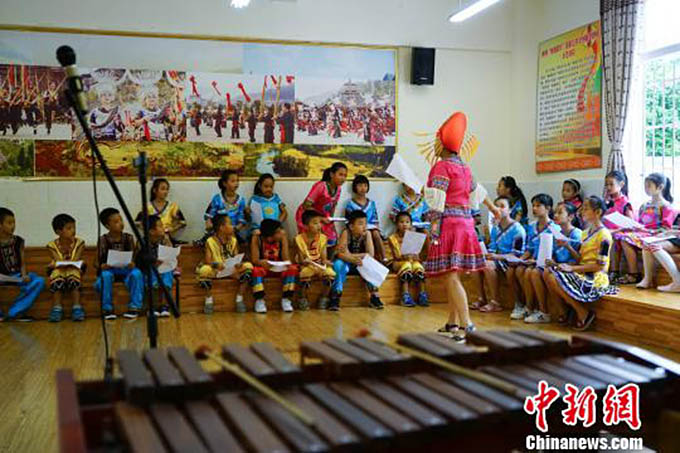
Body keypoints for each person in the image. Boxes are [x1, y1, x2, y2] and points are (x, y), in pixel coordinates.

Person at [423, 112, 498, 342]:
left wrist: (433, 228)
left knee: (451, 277)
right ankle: (452, 322)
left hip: (450, 226)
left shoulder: (441, 167)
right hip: (466, 225)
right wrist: (494, 209)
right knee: (453, 275)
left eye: (436, 140)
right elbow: (478, 193)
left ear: (443, 143)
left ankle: (467, 325)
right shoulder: (465, 168)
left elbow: (437, 203)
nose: (434, 144)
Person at [545, 196, 618, 331]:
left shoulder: (604, 236)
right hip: (583, 270)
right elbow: (581, 259)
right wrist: (567, 246)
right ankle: (565, 311)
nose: (582, 212)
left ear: (597, 212)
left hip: (595, 275)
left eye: (586, 209)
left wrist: (572, 268)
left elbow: (599, 266)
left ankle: (582, 312)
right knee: (549, 272)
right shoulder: (585, 233)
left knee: (552, 277)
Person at [613, 173, 678, 285]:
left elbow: (666, 228)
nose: (646, 189)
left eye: (649, 186)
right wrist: (635, 227)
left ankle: (636, 275)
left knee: (627, 239)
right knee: (621, 237)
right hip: (642, 233)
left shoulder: (666, 207)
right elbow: (640, 223)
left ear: (660, 187)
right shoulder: (644, 205)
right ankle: (630, 272)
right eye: (645, 186)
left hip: (655, 236)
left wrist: (649, 231)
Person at [527, 202, 582, 324]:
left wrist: (568, 246)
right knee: (534, 272)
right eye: (555, 212)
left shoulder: (576, 234)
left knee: (547, 273)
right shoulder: (555, 233)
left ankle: (563, 310)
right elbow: (552, 254)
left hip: (571, 267)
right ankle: (543, 311)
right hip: (557, 266)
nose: (556, 215)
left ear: (570, 217)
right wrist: (551, 260)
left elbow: (579, 260)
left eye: (560, 213)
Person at [475, 196, 526, 313]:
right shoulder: (496, 228)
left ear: (510, 210)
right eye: (496, 206)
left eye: (502, 206)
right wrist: (487, 254)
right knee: (475, 263)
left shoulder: (518, 229)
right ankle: (481, 298)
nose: (498, 209)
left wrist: (496, 257)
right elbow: (492, 247)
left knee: (488, 266)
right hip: (498, 259)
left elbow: (517, 254)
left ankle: (495, 302)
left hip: (511, 261)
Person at [510, 194, 556, 321]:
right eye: (533, 206)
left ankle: (543, 311)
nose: (534, 209)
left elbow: (552, 253)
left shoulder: (554, 228)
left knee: (531, 272)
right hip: (533, 261)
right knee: (519, 269)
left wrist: (535, 261)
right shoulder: (531, 226)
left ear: (548, 208)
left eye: (538, 206)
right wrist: (521, 259)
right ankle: (529, 307)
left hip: (545, 263)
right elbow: (529, 249)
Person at [196, 215, 253, 314]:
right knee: (203, 270)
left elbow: (236, 257)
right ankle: (208, 299)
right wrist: (216, 265)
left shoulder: (234, 240)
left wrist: (238, 264)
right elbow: (208, 261)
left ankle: (239, 297)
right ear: (221, 228)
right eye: (230, 224)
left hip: (231, 270)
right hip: (217, 270)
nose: (232, 226)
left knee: (249, 266)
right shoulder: (210, 241)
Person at [94, 208, 144, 320]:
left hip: (126, 269)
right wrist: (102, 266)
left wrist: (132, 263)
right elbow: (96, 262)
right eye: (116, 222)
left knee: (137, 274)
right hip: (110, 269)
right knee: (105, 276)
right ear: (107, 226)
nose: (121, 223)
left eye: (121, 220)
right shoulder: (103, 240)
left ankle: (135, 307)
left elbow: (133, 257)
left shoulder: (129, 238)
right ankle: (107, 309)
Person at [331, 211, 384, 311]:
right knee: (338, 264)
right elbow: (340, 254)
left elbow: (370, 255)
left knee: (371, 264)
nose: (364, 227)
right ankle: (336, 295)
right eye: (360, 224)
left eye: (365, 224)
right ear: (351, 226)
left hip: (360, 263)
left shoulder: (367, 234)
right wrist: (352, 258)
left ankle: (374, 296)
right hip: (347, 263)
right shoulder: (346, 233)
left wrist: (351, 255)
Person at [0, 207, 44, 322]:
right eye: (9, 223)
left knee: (39, 280)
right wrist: (17, 280)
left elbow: (22, 263)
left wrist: (24, 275)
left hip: (17, 275)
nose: (13, 226)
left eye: (14, 222)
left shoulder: (18, 241)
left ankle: (15, 312)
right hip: (2, 277)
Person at [250, 219, 299, 313]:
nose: (281, 233)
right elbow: (255, 260)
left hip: (278, 267)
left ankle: (286, 299)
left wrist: (285, 263)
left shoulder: (282, 237)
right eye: (278, 231)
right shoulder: (257, 238)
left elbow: (286, 258)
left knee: (292, 269)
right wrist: (261, 262)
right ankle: (259, 300)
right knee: (256, 271)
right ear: (270, 235)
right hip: (264, 267)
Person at [295, 162, 347, 250]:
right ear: (331, 174)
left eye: (345, 175)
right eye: (340, 174)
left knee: (332, 239)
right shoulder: (320, 186)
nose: (343, 178)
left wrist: (331, 220)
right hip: (308, 215)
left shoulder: (338, 189)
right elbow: (306, 205)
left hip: (323, 216)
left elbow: (333, 206)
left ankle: (326, 257)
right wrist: (321, 218)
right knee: (311, 244)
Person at [46, 214, 85, 322]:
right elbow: (58, 260)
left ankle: (77, 307)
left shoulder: (80, 243)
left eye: (74, 227)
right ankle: (57, 308)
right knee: (56, 274)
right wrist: (58, 264)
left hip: (74, 268)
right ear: (58, 232)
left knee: (73, 274)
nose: (73, 231)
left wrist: (58, 263)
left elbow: (75, 260)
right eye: (69, 228)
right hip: (60, 270)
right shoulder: (51, 245)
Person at [294, 210, 337, 310]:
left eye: (320, 222)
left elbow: (323, 258)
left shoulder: (323, 238)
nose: (319, 226)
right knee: (304, 273)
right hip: (307, 265)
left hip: (319, 264)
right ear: (306, 226)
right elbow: (301, 259)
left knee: (330, 274)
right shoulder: (298, 239)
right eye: (315, 223)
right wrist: (306, 262)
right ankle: (302, 298)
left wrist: (326, 262)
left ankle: (324, 298)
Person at [387, 211, 429, 307]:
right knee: (407, 265)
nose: (404, 224)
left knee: (418, 267)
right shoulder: (392, 238)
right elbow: (390, 256)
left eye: (407, 222)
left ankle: (422, 294)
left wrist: (417, 256)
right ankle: (405, 295)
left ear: (411, 224)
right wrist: (402, 256)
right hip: (397, 262)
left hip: (412, 261)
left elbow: (419, 255)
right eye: (401, 222)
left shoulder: (413, 237)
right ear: (396, 224)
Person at [345, 175, 386, 262]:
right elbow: (348, 221)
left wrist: (376, 227)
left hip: (370, 227)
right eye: (360, 185)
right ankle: (369, 258)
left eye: (365, 185)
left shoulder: (371, 203)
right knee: (367, 233)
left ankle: (384, 258)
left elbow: (375, 219)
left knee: (376, 233)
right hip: (357, 229)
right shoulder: (350, 204)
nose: (363, 188)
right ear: (355, 187)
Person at [603, 170, 635, 281]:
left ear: (621, 184)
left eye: (611, 184)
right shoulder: (607, 202)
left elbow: (631, 224)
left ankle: (615, 271)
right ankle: (606, 270)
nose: (608, 187)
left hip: (622, 232)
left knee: (614, 239)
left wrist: (616, 230)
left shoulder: (625, 203)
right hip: (609, 231)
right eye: (606, 184)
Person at [136, 178, 186, 245]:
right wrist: (150, 231)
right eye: (162, 189)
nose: (165, 192)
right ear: (154, 190)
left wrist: (172, 229)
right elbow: (137, 222)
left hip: (167, 237)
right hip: (151, 239)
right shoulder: (148, 206)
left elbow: (183, 222)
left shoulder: (172, 206)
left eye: (167, 189)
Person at [203, 169, 248, 243]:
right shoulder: (217, 198)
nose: (236, 183)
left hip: (233, 231)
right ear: (224, 183)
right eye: (233, 181)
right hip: (218, 232)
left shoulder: (241, 200)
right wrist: (210, 225)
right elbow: (208, 216)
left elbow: (242, 220)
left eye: (237, 181)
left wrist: (234, 229)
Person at [145, 215, 175, 318]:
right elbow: (140, 259)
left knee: (167, 273)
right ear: (152, 231)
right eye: (160, 226)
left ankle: (165, 306)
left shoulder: (165, 239)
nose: (163, 228)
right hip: (150, 268)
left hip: (164, 266)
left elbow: (171, 253)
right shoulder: (144, 242)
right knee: (152, 277)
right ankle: (152, 306)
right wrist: (154, 262)